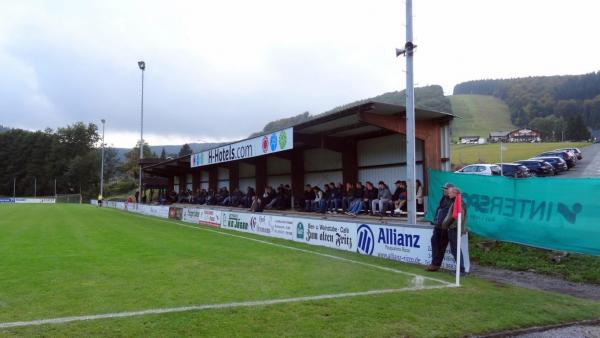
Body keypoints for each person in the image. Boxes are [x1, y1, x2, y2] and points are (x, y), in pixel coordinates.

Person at [426, 182, 454, 272]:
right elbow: (439, 209)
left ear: (451, 190)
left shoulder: (454, 200)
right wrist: (435, 219)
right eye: (444, 189)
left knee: (442, 245)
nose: (444, 190)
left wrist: (447, 224)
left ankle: (435, 264)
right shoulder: (444, 198)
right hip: (438, 225)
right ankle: (434, 263)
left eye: (446, 189)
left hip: (446, 227)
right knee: (434, 241)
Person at [442, 186, 467, 275]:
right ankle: (460, 269)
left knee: (456, 250)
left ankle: (461, 270)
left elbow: (460, 217)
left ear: (455, 193)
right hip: (453, 229)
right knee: (454, 250)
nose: (448, 193)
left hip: (455, 229)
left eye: (450, 192)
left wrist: (453, 226)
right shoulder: (456, 201)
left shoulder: (459, 202)